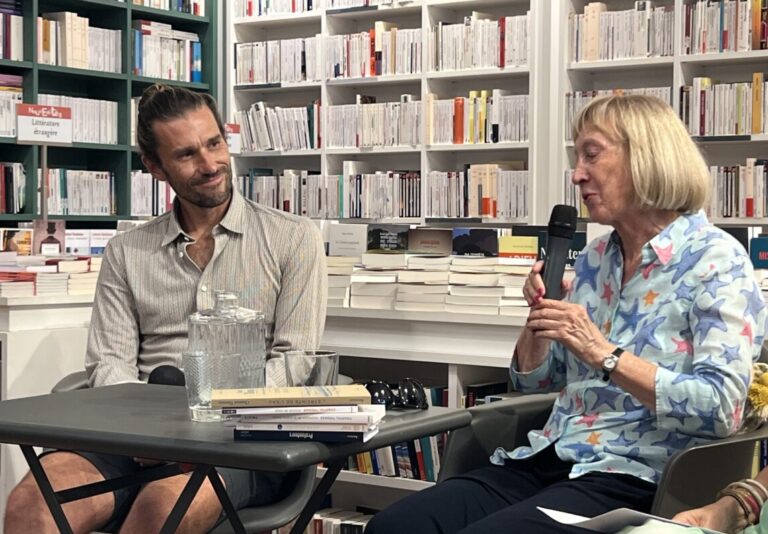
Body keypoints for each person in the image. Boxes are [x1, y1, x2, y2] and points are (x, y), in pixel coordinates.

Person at [365, 94, 768, 534]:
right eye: (577, 158)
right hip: (549, 456)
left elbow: (721, 407)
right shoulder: (596, 259)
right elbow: (537, 383)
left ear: (646, 157)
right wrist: (537, 324)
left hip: (636, 477)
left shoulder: (716, 261)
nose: (577, 174)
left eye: (591, 154)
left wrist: (605, 354)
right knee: (394, 526)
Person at [4, 84, 327, 534]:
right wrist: (147, 436)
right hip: (133, 435)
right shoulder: (127, 251)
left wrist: (206, 422)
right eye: (187, 155)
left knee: (162, 507)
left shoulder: (294, 238)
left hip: (241, 439)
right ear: (155, 167)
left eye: (214, 144)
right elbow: (109, 363)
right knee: (30, 505)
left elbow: (295, 359)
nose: (210, 165)